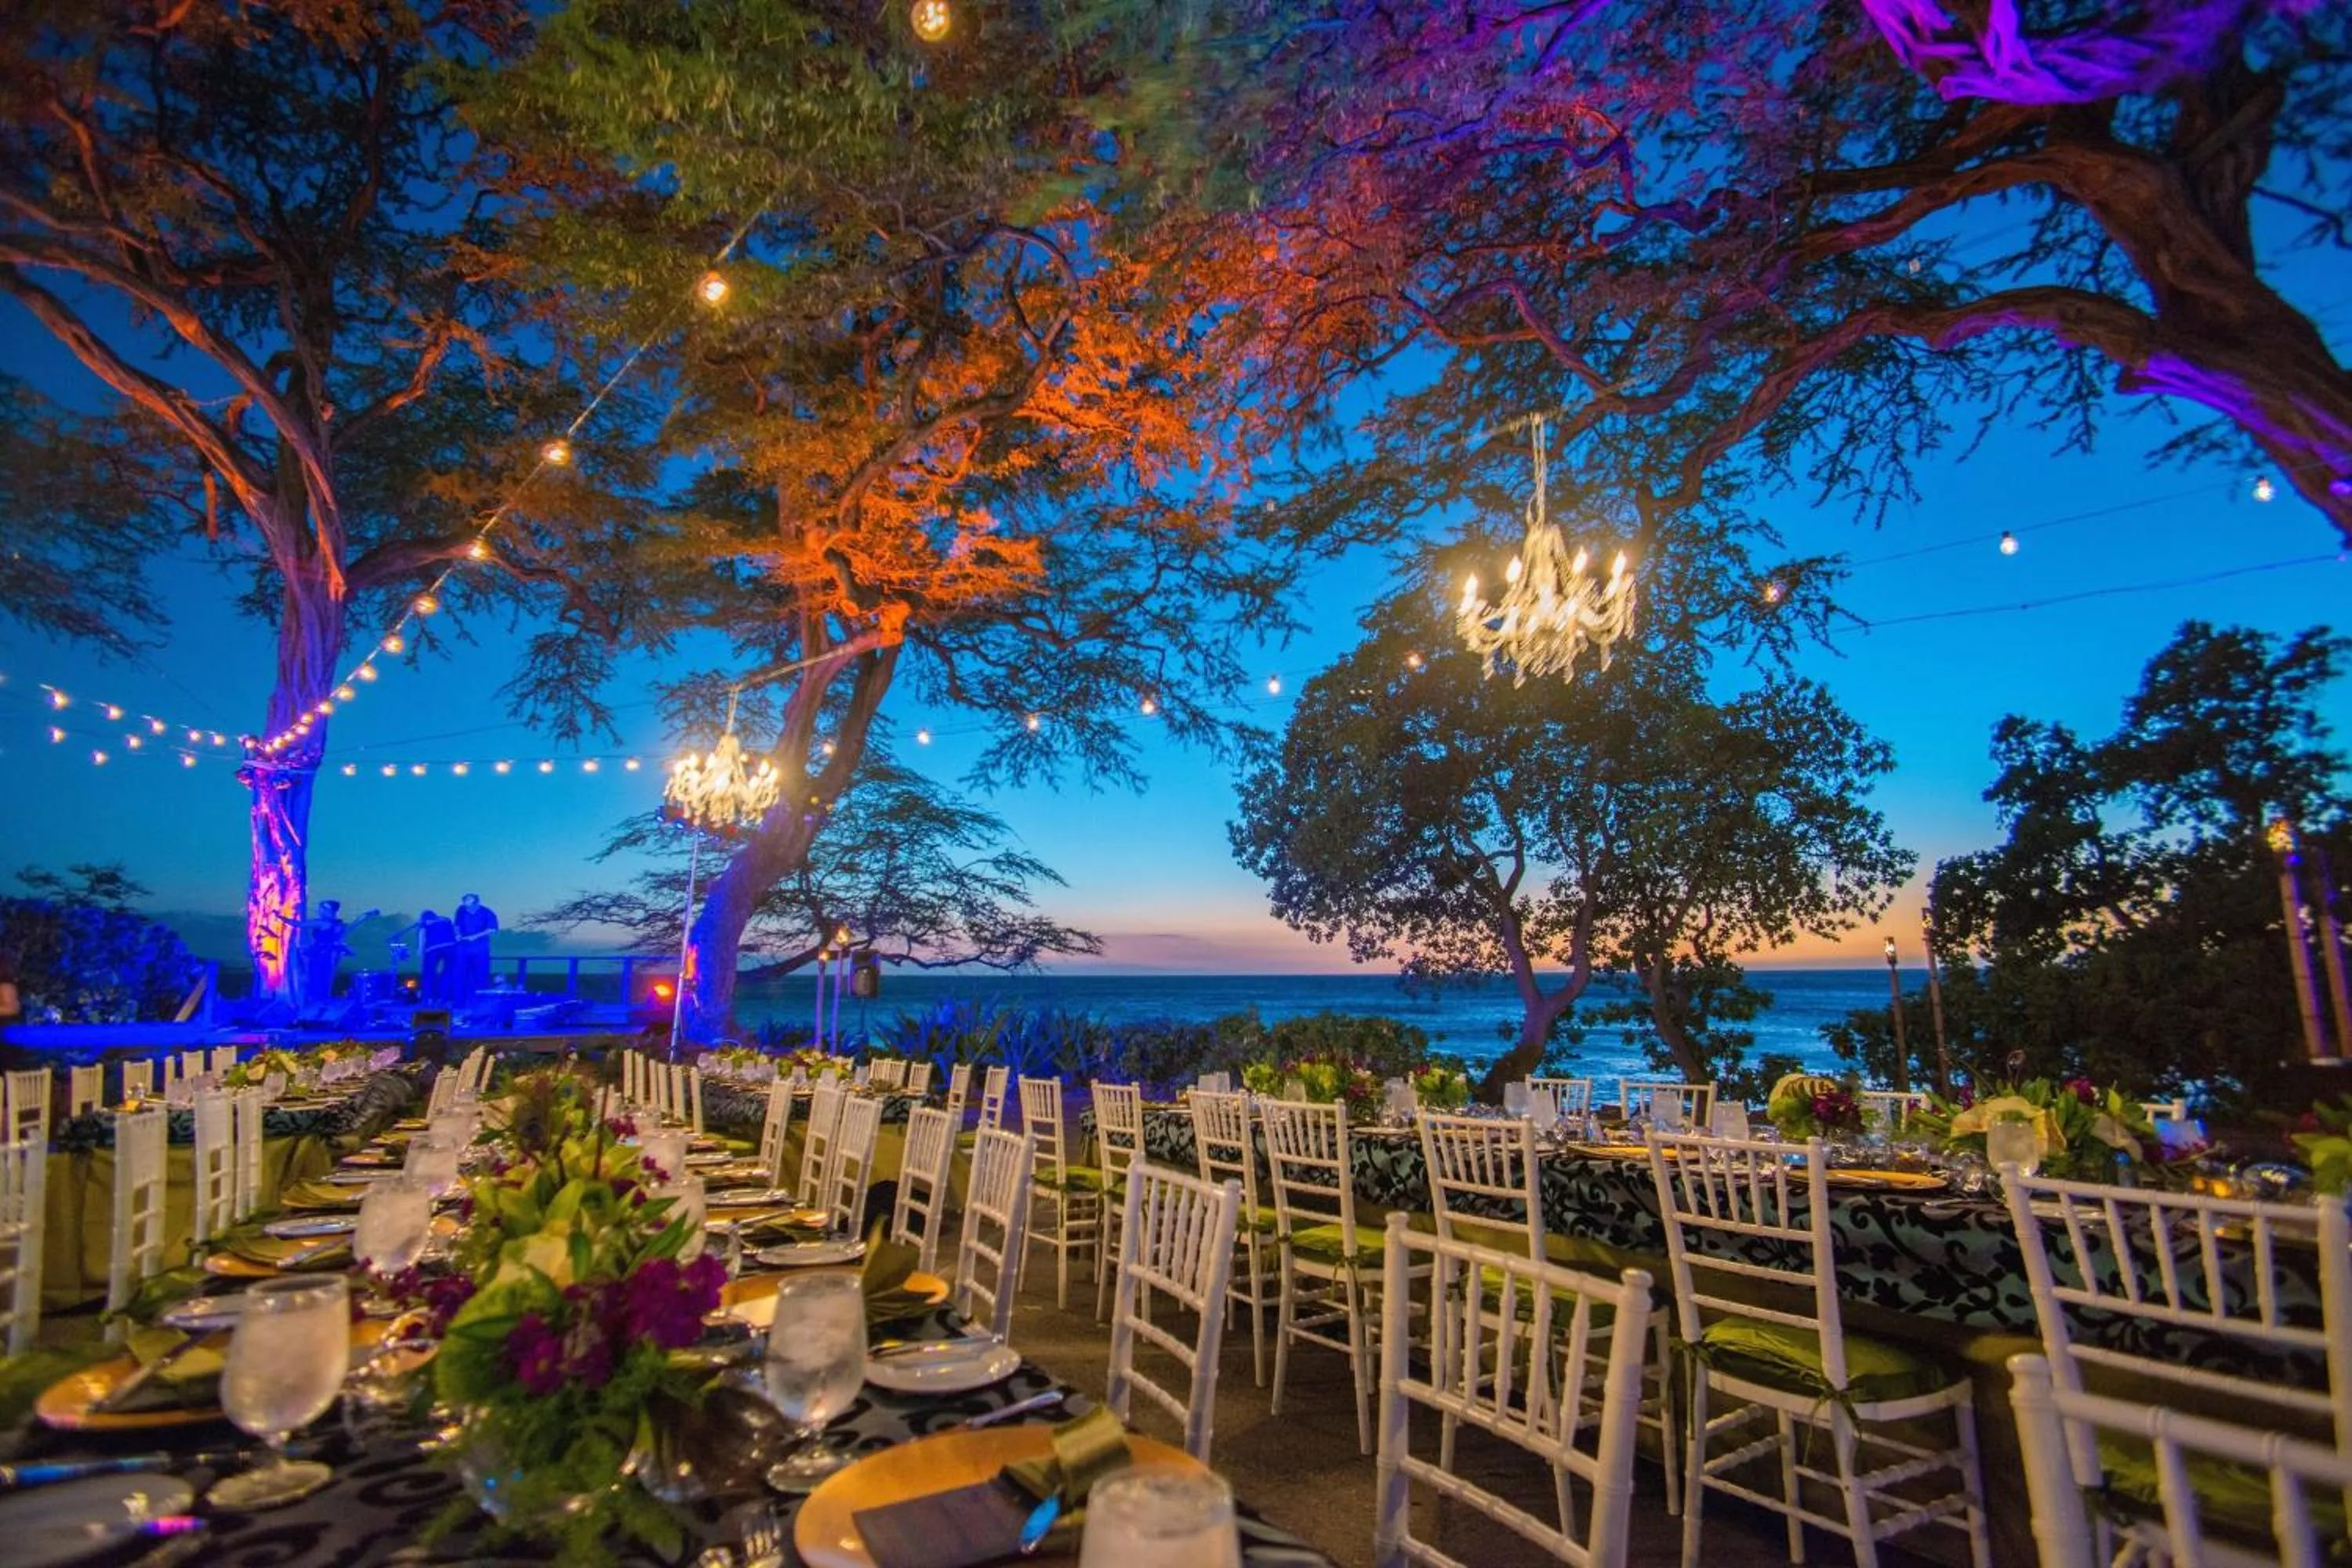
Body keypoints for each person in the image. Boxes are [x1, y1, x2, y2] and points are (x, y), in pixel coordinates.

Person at [392, 909, 459, 1005]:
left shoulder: (425, 923)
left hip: (433, 948)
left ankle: (427, 998)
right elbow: (455, 931)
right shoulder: (446, 920)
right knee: (447, 973)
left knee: (428, 973)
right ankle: (444, 999)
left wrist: (420, 949)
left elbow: (422, 934)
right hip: (450, 947)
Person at [453, 892, 499, 1003]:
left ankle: (480, 1002)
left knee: (481, 975)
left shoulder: (487, 913)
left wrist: (475, 937)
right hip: (463, 948)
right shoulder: (461, 910)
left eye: (470, 905)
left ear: (477, 903)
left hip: (480, 948)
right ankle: (459, 1002)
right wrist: (457, 934)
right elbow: (457, 925)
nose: (468, 908)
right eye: (466, 905)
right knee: (460, 974)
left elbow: (492, 929)